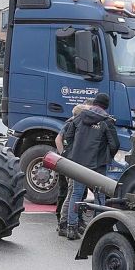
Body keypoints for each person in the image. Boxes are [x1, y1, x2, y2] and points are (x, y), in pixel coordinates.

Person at [61, 92, 119, 240]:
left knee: (76, 194)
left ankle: (71, 228)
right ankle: (98, 231)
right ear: (106, 106)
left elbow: (67, 136)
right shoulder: (107, 121)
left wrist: (75, 152)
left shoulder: (80, 117)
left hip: (78, 164)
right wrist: (107, 156)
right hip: (97, 166)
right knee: (100, 197)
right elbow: (114, 144)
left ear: (94, 103)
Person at [55, 99, 93, 237]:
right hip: (70, 162)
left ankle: (69, 222)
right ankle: (64, 223)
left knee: (73, 193)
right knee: (71, 194)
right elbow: (58, 139)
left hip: (70, 161)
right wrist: (64, 156)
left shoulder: (72, 123)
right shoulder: (72, 123)